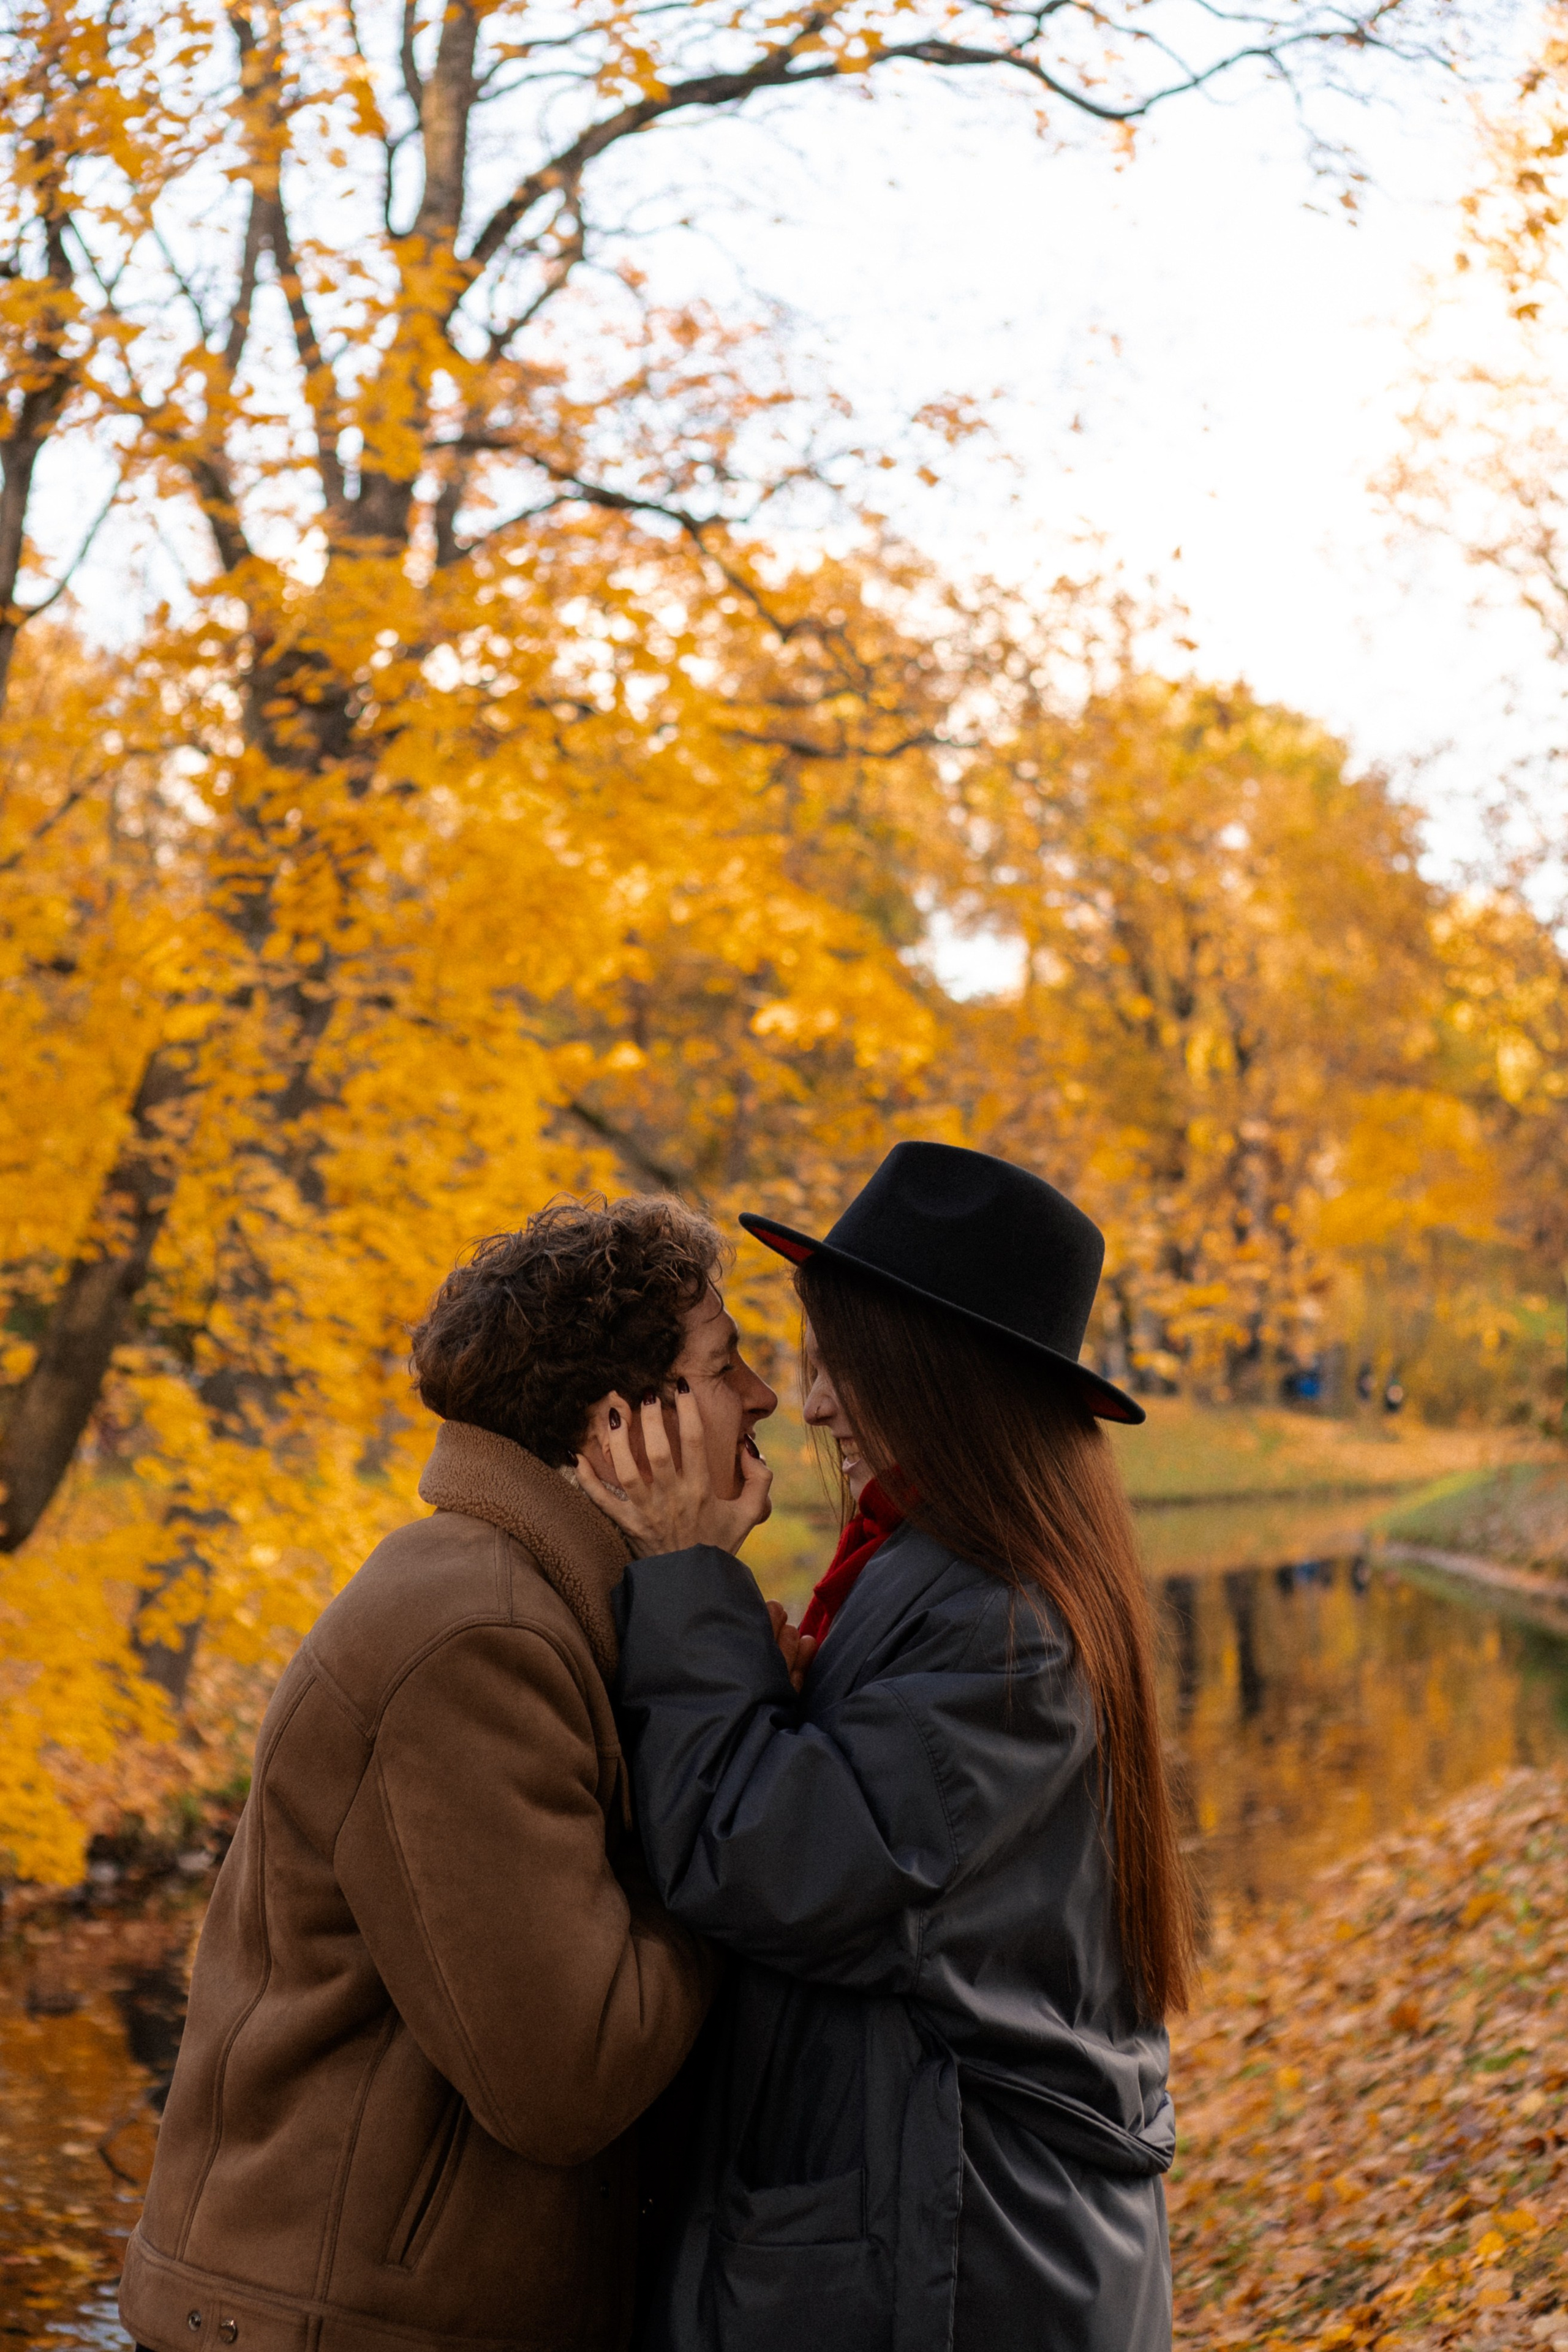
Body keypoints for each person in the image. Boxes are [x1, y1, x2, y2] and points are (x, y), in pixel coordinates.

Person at [119, 1194, 778, 2352]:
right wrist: (742, 1827)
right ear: (620, 1427)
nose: (765, 1396)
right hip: (335, 2326)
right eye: (725, 1365)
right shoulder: (477, 1635)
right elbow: (571, 2075)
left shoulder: (551, 1606)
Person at [577, 1141, 1194, 2352]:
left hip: (961, 2265)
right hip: (951, 2233)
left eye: (838, 1369)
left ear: (938, 1378)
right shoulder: (938, 1570)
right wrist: (769, 1681)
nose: (811, 1406)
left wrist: (687, 1575)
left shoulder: (1000, 1618)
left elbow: (766, 1859)